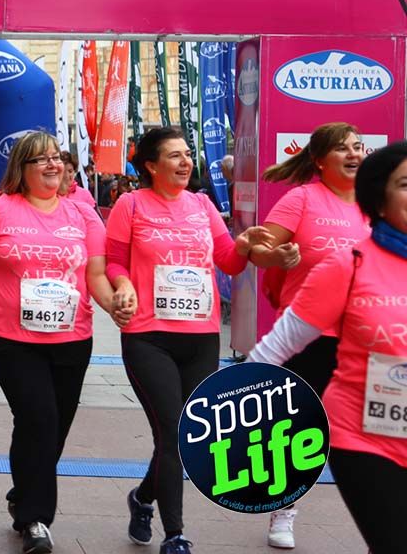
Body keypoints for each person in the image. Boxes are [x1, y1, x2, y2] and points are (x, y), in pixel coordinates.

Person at [0, 131, 137, 554]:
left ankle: (23, 492)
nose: (54, 165)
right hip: (11, 339)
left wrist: (113, 305)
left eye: (57, 157)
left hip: (72, 338)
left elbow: (95, 274)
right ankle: (36, 519)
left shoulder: (83, 215)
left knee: (51, 427)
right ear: (22, 167)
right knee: (39, 418)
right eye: (42, 159)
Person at [107, 126, 272, 554]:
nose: (185, 162)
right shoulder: (130, 204)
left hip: (200, 335)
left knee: (183, 435)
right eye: (174, 156)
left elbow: (228, 261)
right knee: (170, 429)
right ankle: (175, 535)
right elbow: (114, 262)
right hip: (149, 335)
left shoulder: (201, 205)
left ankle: (143, 497)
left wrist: (244, 243)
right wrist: (123, 285)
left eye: (187, 154)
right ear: (151, 165)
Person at [247, 142, 407, 554]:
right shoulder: (348, 265)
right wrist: (223, 417)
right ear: (379, 199)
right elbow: (271, 350)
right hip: (366, 440)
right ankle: (284, 505)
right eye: (406, 184)